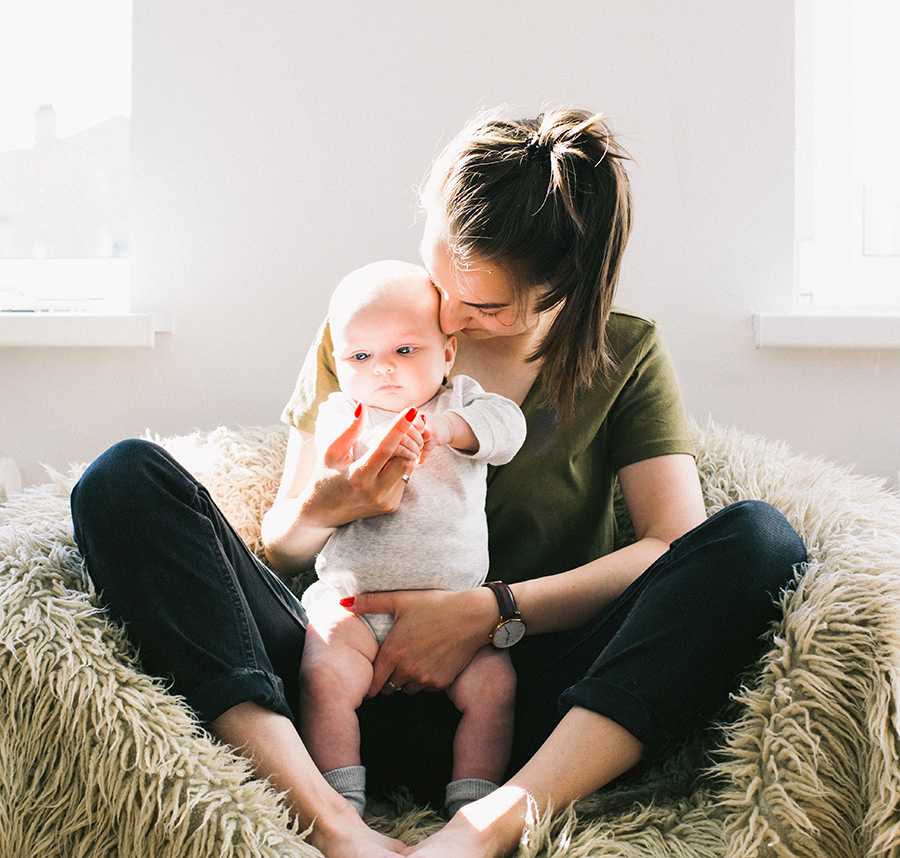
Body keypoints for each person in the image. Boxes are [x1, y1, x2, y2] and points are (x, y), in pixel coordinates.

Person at [69, 106, 808, 858]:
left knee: (760, 541)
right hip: (334, 676)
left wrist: (489, 614)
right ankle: (325, 818)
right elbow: (283, 554)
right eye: (439, 268)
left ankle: (489, 825)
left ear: (563, 288)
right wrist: (328, 507)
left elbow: (668, 545)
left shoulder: (626, 354)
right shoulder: (371, 327)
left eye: (484, 306)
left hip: (519, 701)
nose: (447, 316)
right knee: (122, 479)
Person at [298, 259, 526, 821]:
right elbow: (326, 460)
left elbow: (508, 429)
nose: (383, 371)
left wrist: (450, 429)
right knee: (321, 677)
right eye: (360, 357)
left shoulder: (461, 404)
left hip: (457, 612)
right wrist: (350, 444)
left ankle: (471, 804)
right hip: (355, 607)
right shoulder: (343, 412)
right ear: (338, 362)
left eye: (405, 351)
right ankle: (341, 801)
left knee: (495, 688)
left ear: (447, 354)